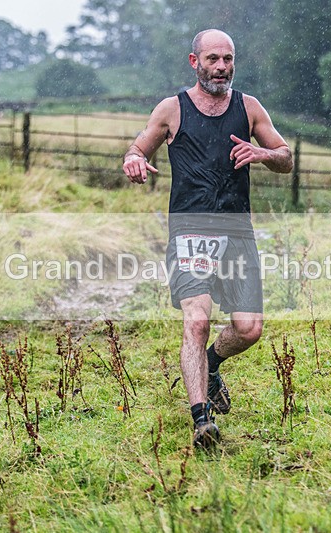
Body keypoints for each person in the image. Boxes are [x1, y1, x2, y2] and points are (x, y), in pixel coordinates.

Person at [122, 29, 293, 450]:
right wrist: (134, 160)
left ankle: (212, 364)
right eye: (213, 58)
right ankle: (202, 420)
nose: (222, 67)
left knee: (249, 329)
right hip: (190, 230)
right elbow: (138, 147)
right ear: (194, 61)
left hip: (237, 230)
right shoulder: (171, 109)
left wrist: (264, 154)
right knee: (196, 321)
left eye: (228, 59)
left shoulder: (248, 108)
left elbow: (286, 157)